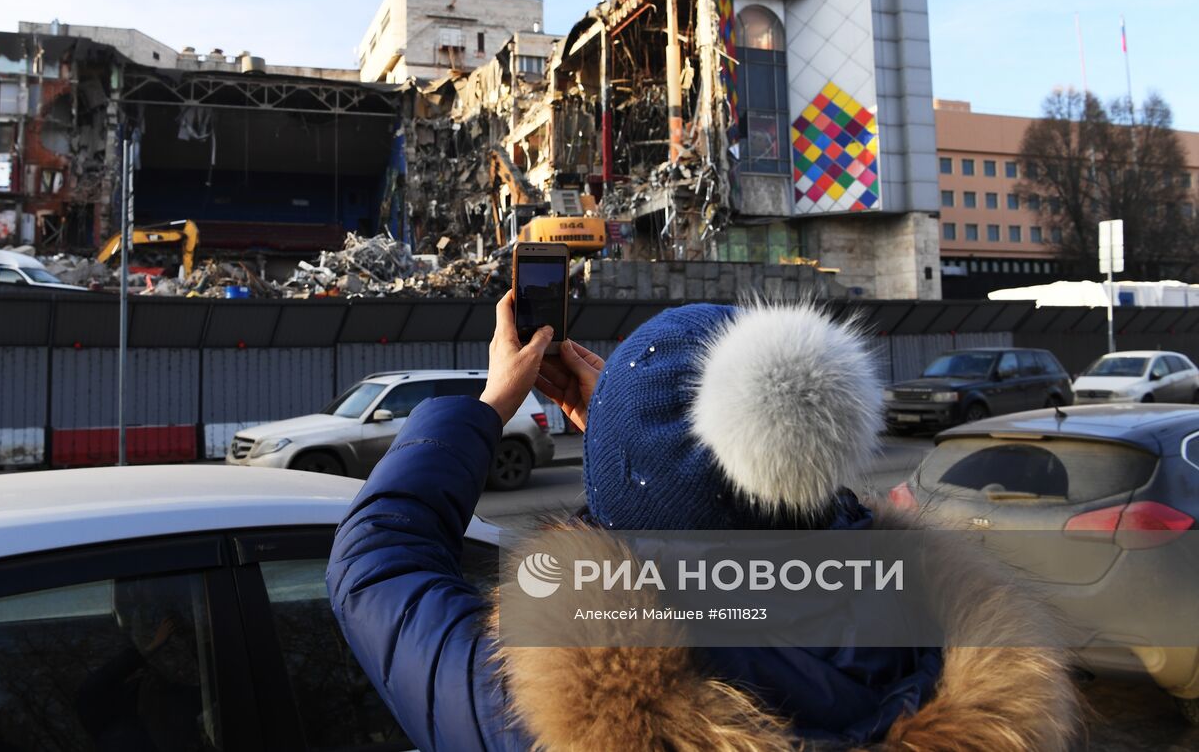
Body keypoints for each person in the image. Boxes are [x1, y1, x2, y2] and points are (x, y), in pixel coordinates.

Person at [327, 296, 1081, 751]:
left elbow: (375, 561)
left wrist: (491, 404)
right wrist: (632, 440)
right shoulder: (964, 670)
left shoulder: (537, 713)